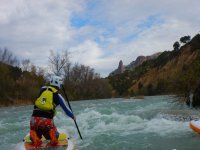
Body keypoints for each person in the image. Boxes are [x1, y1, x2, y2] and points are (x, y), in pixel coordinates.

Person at [30, 75, 75, 147]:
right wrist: (73, 116)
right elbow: (66, 109)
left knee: (36, 129)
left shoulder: (42, 89)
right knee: (55, 135)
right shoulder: (58, 96)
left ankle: (35, 137)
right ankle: (53, 137)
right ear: (59, 85)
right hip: (47, 122)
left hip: (34, 120)